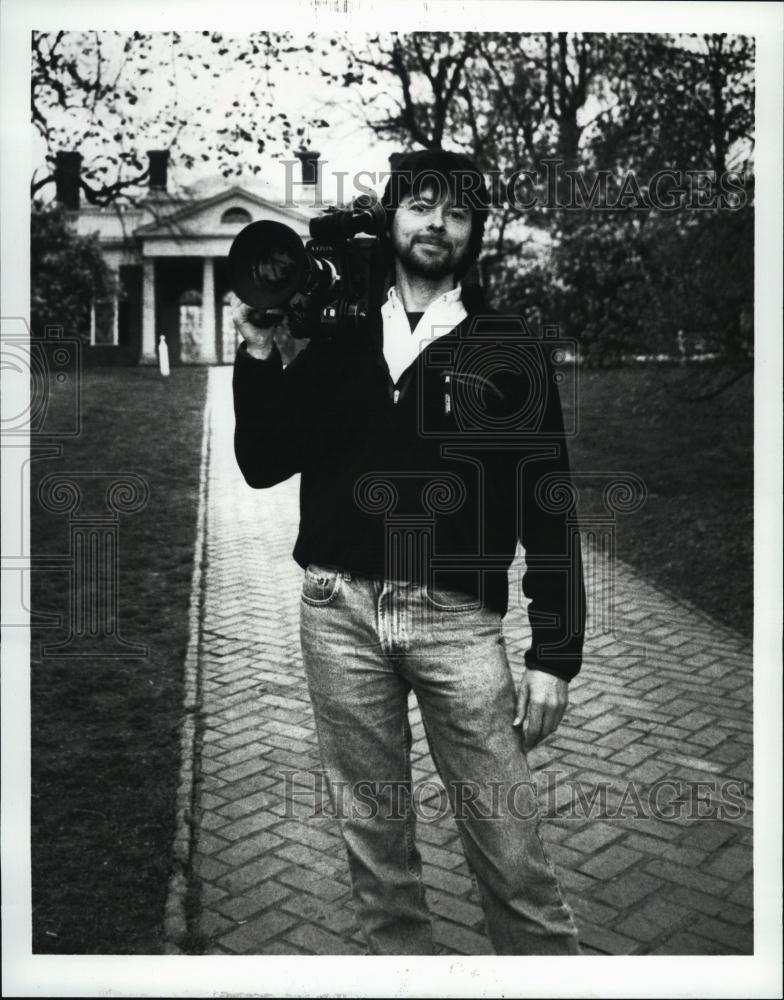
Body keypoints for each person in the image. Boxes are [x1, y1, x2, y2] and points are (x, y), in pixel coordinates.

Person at [231, 149, 586, 955]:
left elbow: (549, 502)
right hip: (337, 613)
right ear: (392, 218)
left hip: (457, 623)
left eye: (456, 212)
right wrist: (257, 352)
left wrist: (554, 654)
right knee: (377, 863)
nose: (436, 222)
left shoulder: (507, 347)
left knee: (514, 863)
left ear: (473, 234)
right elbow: (261, 462)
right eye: (420, 204)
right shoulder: (337, 337)